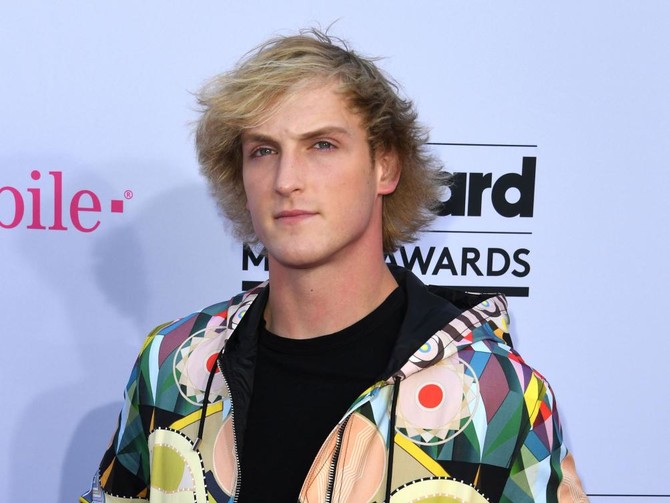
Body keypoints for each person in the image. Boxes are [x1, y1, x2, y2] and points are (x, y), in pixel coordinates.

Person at [81, 29, 587, 503]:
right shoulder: (172, 365)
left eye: (322, 145)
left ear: (385, 166)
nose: (286, 180)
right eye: (263, 151)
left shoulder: (498, 394)